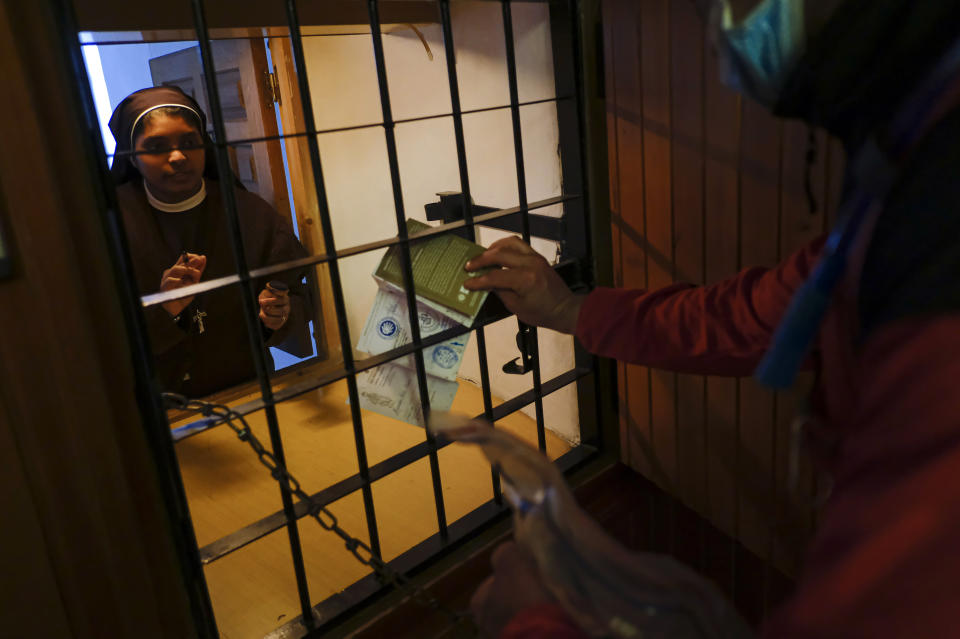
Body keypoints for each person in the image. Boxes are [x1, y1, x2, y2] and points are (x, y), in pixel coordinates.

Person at [462, 0, 960, 637]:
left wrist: (534, 623)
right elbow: (752, 317)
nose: (717, 32)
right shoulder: (912, 150)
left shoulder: (943, 212)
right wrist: (568, 309)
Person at [108, 86, 312, 398]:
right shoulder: (107, 227)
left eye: (190, 142)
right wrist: (162, 310)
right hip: (159, 402)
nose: (177, 156)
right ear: (132, 158)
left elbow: (296, 295)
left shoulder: (252, 213)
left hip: (247, 387)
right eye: (157, 146)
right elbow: (95, 332)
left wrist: (279, 315)